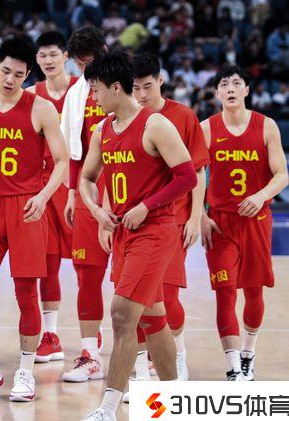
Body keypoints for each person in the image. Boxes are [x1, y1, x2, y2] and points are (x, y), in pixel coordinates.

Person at [79, 51, 197, 421]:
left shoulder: (155, 125)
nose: (93, 98)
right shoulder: (102, 131)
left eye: (96, 90)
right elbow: (86, 178)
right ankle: (175, 401)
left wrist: (147, 205)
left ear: (116, 87)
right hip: (123, 235)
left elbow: (187, 177)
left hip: (155, 232)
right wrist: (97, 211)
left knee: (120, 314)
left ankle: (107, 409)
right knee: (153, 319)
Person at [0, 37, 69, 402]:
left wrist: (44, 196)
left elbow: (62, 160)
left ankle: (25, 371)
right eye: (5, 71)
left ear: (27, 75)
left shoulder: (41, 108)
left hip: (25, 208)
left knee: (26, 294)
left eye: (18, 75)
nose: (9, 80)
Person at [201, 65, 288, 381]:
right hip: (220, 224)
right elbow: (194, 177)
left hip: (256, 220)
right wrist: (201, 216)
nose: (230, 88)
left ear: (247, 90)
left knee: (253, 292)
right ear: (217, 93)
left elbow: (281, 175)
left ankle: (249, 354)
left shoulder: (266, 126)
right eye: (224, 84)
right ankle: (233, 367)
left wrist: (261, 195)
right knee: (225, 292)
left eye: (236, 83)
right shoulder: (206, 129)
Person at [130, 53, 210, 382]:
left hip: (174, 219)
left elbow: (197, 171)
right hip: (134, 222)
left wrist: (195, 216)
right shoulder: (126, 117)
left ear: (161, 81)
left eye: (147, 87)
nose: (142, 94)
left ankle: (177, 354)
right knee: (135, 298)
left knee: (167, 295)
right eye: (135, 88)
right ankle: (140, 367)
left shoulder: (183, 116)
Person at [61, 25, 110, 383]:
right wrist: (71, 193)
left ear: (105, 52)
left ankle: (147, 356)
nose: (84, 70)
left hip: (130, 192)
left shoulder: (131, 85)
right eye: (79, 64)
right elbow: (73, 151)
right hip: (89, 192)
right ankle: (90, 354)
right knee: (87, 275)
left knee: (136, 281)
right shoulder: (77, 95)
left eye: (89, 62)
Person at [25, 30, 75, 364]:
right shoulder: (31, 95)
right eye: (42, 55)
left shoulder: (84, 91)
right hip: (44, 184)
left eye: (53, 54)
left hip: (79, 184)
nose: (48, 60)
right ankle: (50, 334)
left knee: (90, 263)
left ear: (66, 56)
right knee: (47, 262)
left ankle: (92, 330)